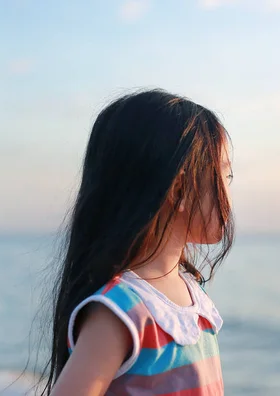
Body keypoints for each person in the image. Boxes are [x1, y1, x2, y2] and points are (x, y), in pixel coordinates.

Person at [39, 89, 234, 396]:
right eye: (224, 176)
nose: (228, 191)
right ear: (179, 188)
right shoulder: (121, 312)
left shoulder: (193, 293)